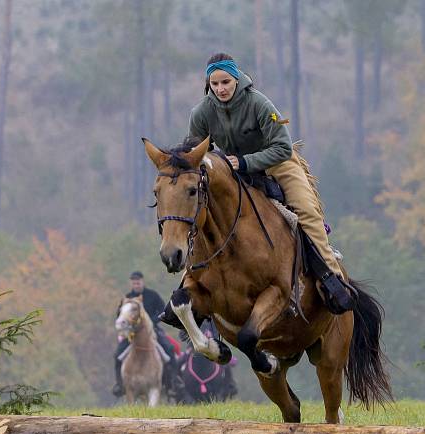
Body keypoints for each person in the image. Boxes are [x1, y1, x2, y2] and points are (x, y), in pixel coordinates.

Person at [187, 53, 354, 314]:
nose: (220, 89)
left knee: (307, 212)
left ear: (237, 80)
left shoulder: (259, 104)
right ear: (208, 84)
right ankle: (189, 287)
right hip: (232, 169)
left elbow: (283, 147)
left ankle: (332, 278)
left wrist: (243, 162)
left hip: (277, 164)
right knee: (198, 211)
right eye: (215, 84)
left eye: (226, 82)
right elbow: (196, 153)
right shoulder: (200, 113)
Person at [112, 272, 183, 399]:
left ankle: (173, 383)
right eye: (134, 283)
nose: (136, 284)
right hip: (133, 333)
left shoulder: (153, 295)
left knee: (169, 350)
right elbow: (120, 315)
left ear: (142, 282)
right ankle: (119, 384)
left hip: (153, 330)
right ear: (131, 283)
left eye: (138, 282)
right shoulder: (127, 298)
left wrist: (153, 322)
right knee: (117, 354)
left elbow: (163, 311)